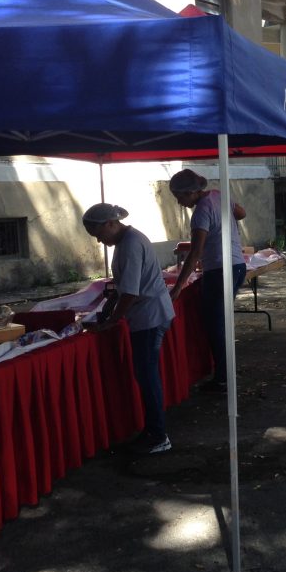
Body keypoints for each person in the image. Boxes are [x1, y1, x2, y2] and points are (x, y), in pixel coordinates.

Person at [82, 203, 174, 454]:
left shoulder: (131, 243)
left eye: (100, 234)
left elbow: (131, 292)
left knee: (147, 375)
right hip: (146, 314)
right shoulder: (124, 242)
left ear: (111, 224)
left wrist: (113, 320)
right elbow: (123, 286)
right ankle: (154, 430)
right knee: (146, 374)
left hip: (149, 316)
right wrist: (109, 306)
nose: (100, 241)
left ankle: (158, 435)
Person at [168, 169, 247, 393]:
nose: (180, 202)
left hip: (220, 269)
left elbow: (195, 252)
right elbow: (241, 213)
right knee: (221, 322)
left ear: (192, 192)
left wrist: (178, 286)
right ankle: (225, 371)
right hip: (237, 265)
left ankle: (223, 378)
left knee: (216, 325)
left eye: (180, 197)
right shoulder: (218, 196)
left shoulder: (201, 212)